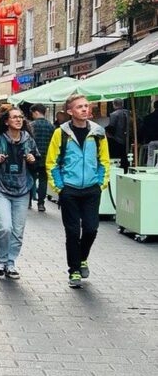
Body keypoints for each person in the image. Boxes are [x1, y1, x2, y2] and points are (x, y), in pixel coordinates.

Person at [46, 94, 110, 289]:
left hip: (91, 189)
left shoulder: (98, 132)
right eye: (79, 107)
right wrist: (60, 188)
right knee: (72, 231)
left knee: (91, 228)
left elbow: (104, 160)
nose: (84, 109)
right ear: (70, 111)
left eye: (86, 106)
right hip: (70, 190)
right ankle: (74, 270)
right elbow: (52, 162)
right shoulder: (61, 133)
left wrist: (100, 183)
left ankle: (82, 258)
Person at [0, 108, 40, 280]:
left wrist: (33, 161)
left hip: (22, 190)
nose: (18, 120)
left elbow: (38, 164)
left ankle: (11, 263)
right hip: (1, 189)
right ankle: (1, 261)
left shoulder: (29, 140)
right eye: (14, 117)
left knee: (18, 230)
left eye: (21, 117)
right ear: (6, 121)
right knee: (5, 226)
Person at [28, 104, 55, 212]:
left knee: (30, 179)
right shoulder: (51, 126)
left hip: (33, 157)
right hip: (46, 158)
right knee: (43, 181)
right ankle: (41, 204)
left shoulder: (31, 125)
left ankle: (28, 202)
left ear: (36, 112)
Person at [106, 99, 130, 171]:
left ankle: (117, 169)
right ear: (122, 104)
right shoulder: (128, 113)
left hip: (116, 138)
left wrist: (106, 130)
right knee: (124, 156)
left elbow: (112, 127)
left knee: (116, 156)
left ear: (114, 104)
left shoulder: (114, 114)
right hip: (127, 138)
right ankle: (126, 168)